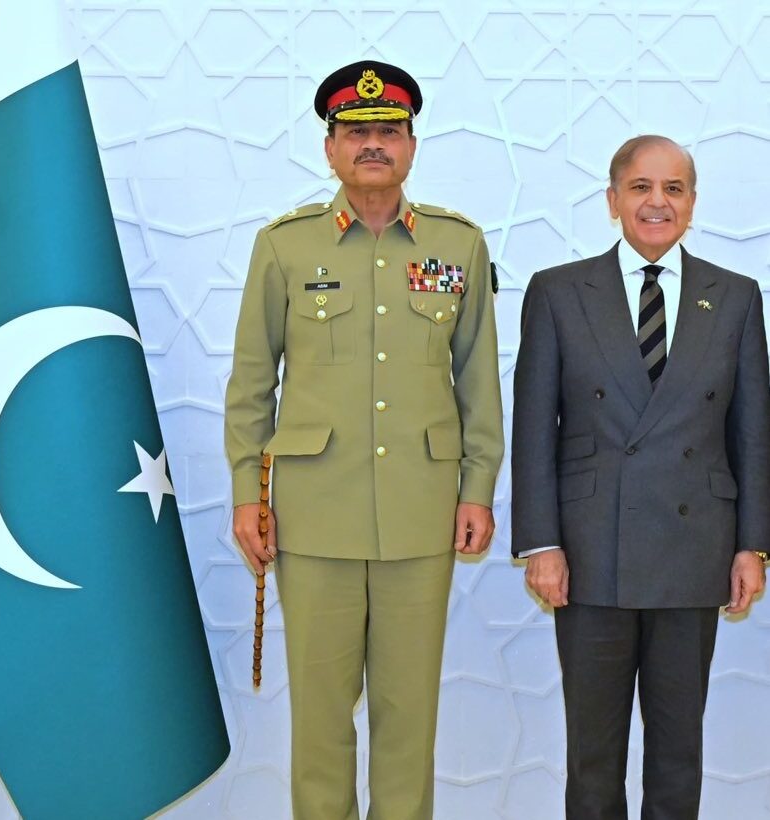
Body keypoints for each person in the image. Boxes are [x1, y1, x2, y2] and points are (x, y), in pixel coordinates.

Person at [224, 59, 503, 820]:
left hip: (421, 513)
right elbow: (251, 385)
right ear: (330, 148)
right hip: (315, 517)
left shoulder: (458, 246)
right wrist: (247, 495)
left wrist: (477, 490)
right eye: (355, 132)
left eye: (387, 131)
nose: (372, 144)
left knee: (408, 719)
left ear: (411, 145)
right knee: (319, 722)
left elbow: (478, 382)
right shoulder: (284, 247)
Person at [511, 134, 770, 820]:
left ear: (691, 203)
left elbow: (751, 432)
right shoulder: (558, 292)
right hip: (590, 550)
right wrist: (541, 543)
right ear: (612, 200)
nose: (657, 202)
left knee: (678, 752)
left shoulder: (735, 296)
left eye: (673, 189)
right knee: (593, 756)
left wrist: (752, 545)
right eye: (641, 187)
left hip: (695, 550)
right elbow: (534, 428)